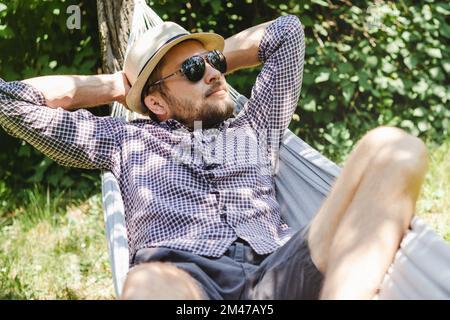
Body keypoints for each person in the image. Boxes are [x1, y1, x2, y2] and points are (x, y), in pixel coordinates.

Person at [0, 15, 428, 300]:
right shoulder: (122, 139)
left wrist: (211, 60)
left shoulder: (257, 126)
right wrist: (119, 86)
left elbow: (287, 33)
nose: (213, 73)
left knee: (395, 148)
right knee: (146, 285)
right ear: (157, 103)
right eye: (192, 70)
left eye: (213, 63)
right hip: (186, 278)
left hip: (283, 265)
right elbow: (11, 103)